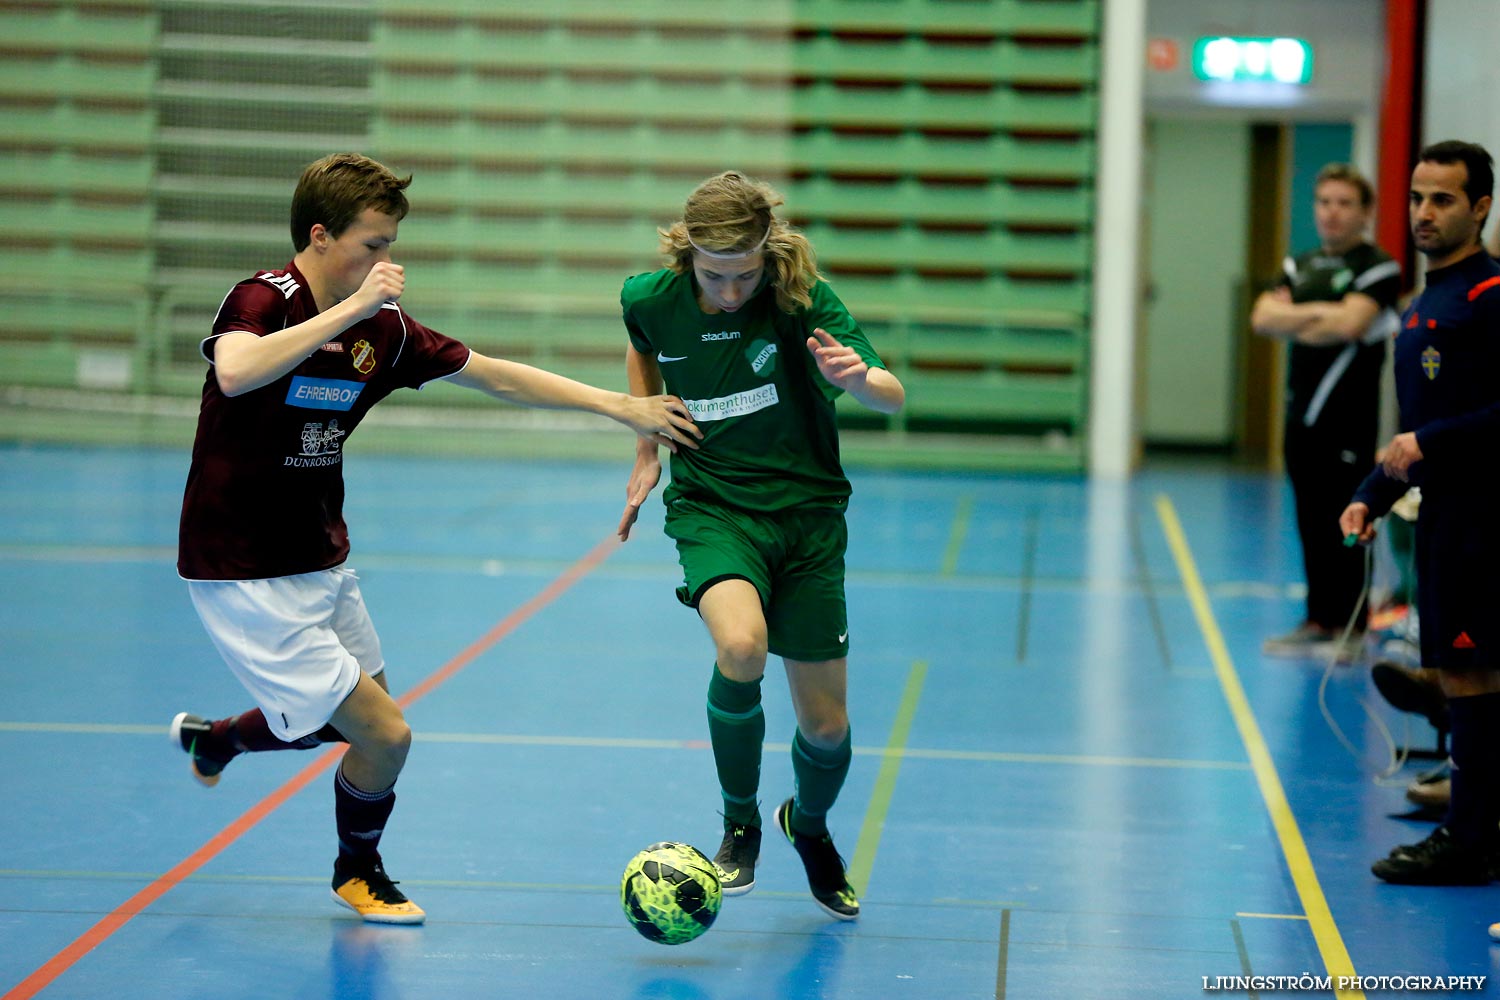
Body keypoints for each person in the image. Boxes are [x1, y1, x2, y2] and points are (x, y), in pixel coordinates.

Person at [171, 152, 701, 924]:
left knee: (352, 721)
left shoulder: (381, 331)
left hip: (318, 553)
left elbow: (498, 375)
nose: (387, 262)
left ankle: (215, 740)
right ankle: (358, 873)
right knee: (384, 736)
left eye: (390, 245)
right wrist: (346, 313)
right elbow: (237, 372)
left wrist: (624, 408)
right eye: (372, 245)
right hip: (242, 567)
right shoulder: (265, 298)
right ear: (320, 236)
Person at [614, 171, 905, 920]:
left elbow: (889, 392)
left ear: (766, 254)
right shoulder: (650, 298)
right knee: (740, 647)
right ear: (689, 259)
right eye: (716, 275)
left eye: (745, 273)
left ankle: (805, 826)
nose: (733, 289)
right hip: (715, 509)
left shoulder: (803, 301)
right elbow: (641, 348)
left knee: (828, 728)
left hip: (807, 521)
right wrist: (648, 439)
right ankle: (740, 824)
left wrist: (859, 376)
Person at [1340, 140, 1500, 886]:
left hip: (1486, 519)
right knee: (1459, 674)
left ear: (1481, 207)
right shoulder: (1420, 306)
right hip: (1442, 517)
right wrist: (1368, 497)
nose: (1424, 213)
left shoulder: (1491, 297)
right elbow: (1415, 430)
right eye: (1416, 198)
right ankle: (1473, 821)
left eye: (1442, 199)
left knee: (1473, 677)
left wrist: (1424, 442)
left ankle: (1468, 840)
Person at [1251, 163, 1403, 659]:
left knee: (1348, 522)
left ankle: (1353, 627)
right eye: (1324, 202)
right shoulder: (1299, 266)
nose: (1332, 213)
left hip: (1348, 423)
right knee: (1309, 522)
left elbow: (1353, 325)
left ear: (1364, 212)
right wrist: (1323, 315)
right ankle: (1318, 619)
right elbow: (1262, 318)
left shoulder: (1378, 266)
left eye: (1344, 203)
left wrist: (1298, 319)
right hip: (1301, 422)